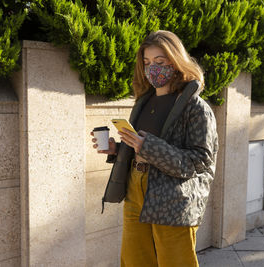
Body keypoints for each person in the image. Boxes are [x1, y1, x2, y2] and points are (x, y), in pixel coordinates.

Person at [91, 30, 218, 267]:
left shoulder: (196, 108)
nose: (153, 69)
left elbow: (199, 161)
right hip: (135, 187)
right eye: (147, 63)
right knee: (134, 261)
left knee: (176, 262)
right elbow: (142, 149)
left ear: (176, 61)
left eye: (160, 62)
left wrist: (147, 145)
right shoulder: (144, 102)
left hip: (173, 198)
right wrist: (117, 149)